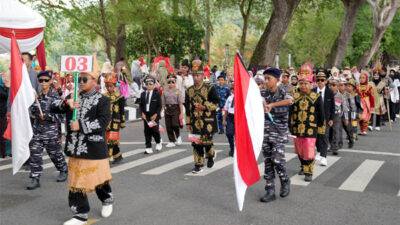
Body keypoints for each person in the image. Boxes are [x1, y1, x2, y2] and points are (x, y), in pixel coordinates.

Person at [51, 56, 114, 225]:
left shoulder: (103, 100)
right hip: (75, 147)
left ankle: (107, 199)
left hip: (94, 148)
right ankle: (80, 214)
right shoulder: (73, 97)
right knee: (76, 182)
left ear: (94, 80)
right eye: (79, 78)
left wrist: (82, 126)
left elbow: (103, 122)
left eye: (84, 78)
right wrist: (66, 104)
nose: (81, 81)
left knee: (99, 180)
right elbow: (52, 107)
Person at [27, 71, 68, 190]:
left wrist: (48, 117)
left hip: (50, 131)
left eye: (46, 80)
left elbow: (61, 116)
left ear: (50, 81)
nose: (43, 83)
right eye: (41, 80)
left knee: (55, 154)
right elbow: (30, 112)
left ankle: (63, 169)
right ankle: (35, 178)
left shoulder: (55, 97)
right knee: (34, 154)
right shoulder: (36, 96)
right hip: (37, 130)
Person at [259, 68, 292, 203]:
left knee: (277, 159)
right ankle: (270, 190)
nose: (266, 81)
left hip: (279, 132)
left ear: (277, 80)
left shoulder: (283, 92)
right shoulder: (262, 93)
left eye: (269, 79)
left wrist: (272, 104)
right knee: (267, 162)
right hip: (265, 132)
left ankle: (285, 180)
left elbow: (290, 101)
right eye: (265, 79)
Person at [290, 63, 325, 182]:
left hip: (311, 128)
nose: (303, 86)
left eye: (306, 83)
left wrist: (321, 128)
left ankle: (308, 171)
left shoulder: (316, 97)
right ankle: (303, 166)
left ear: (311, 84)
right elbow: (290, 113)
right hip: (296, 128)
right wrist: (289, 125)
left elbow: (321, 114)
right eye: (301, 83)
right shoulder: (294, 96)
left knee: (309, 151)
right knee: (299, 150)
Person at [185, 59, 219, 174]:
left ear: (202, 75)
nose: (196, 78)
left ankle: (210, 156)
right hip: (195, 122)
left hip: (207, 121)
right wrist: (188, 123)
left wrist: (204, 107)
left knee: (207, 143)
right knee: (196, 144)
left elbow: (216, 103)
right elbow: (187, 108)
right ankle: (198, 165)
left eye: (198, 75)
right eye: (194, 75)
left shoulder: (209, 88)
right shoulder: (188, 91)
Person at [312, 71, 334, 166]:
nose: (320, 82)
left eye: (322, 80)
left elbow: (332, 107)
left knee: (324, 137)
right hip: (314, 119)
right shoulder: (312, 91)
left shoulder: (329, 92)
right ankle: (319, 151)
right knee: (316, 138)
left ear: (325, 81)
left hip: (326, 119)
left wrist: (331, 119)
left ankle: (324, 157)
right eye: (318, 80)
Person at [104, 73, 126, 164]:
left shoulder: (120, 97)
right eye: (107, 86)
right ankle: (118, 156)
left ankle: (107, 159)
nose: (109, 88)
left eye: (111, 86)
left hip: (115, 122)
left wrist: (122, 122)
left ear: (114, 86)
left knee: (111, 140)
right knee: (108, 139)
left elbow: (122, 111)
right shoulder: (103, 97)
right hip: (106, 122)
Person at [140, 76, 162, 154]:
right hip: (146, 115)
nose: (148, 85)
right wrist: (142, 113)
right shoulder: (142, 94)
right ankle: (148, 147)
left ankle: (158, 142)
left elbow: (159, 105)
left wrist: (156, 114)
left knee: (155, 130)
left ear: (154, 85)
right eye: (147, 84)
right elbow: (141, 105)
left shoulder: (157, 94)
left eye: (150, 83)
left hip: (154, 115)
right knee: (147, 131)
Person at [161, 74, 184, 147]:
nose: (171, 83)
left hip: (175, 109)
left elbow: (180, 103)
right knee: (168, 126)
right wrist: (161, 111)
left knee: (175, 124)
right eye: (169, 82)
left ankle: (178, 136)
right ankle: (171, 141)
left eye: (172, 81)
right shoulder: (164, 91)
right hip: (167, 109)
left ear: (175, 82)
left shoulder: (178, 91)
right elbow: (163, 103)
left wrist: (181, 113)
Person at [328, 78, 348, 155]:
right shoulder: (327, 95)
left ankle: (335, 147)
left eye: (334, 85)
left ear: (337, 86)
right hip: (328, 115)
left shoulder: (341, 96)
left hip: (337, 115)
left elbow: (345, 108)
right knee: (329, 132)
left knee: (336, 131)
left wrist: (346, 118)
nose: (332, 87)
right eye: (330, 85)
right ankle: (331, 145)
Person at [338, 78, 354, 149]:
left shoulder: (348, 95)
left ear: (345, 87)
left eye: (342, 85)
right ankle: (339, 143)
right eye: (339, 85)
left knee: (348, 128)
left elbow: (353, 106)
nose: (340, 87)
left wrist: (353, 116)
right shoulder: (336, 94)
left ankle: (351, 140)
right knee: (338, 129)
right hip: (338, 113)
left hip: (346, 113)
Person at [222, 86, 234, 157]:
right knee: (229, 133)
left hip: (239, 117)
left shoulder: (243, 98)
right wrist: (224, 119)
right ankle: (232, 148)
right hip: (231, 117)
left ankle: (239, 150)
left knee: (239, 136)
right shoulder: (229, 98)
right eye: (233, 89)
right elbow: (226, 109)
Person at [0, 73, 9, 158]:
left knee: (3, 133)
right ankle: (3, 153)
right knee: (2, 133)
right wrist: (7, 87)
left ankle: (4, 153)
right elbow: (6, 96)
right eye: (3, 78)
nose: (5, 79)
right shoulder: (1, 88)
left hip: (3, 114)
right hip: (1, 114)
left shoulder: (3, 87)